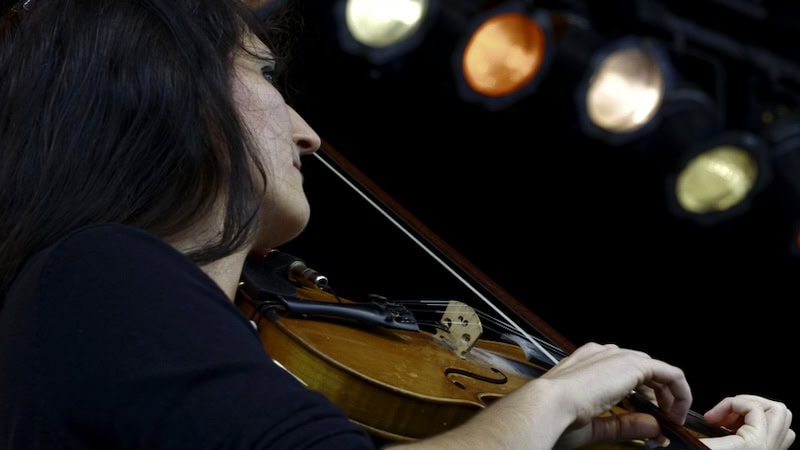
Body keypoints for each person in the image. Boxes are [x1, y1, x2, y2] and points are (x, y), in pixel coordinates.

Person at [0, 0, 793, 449]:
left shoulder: (132, 310)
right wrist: (552, 399)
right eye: (266, 77)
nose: (307, 132)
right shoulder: (102, 273)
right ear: (173, 96)